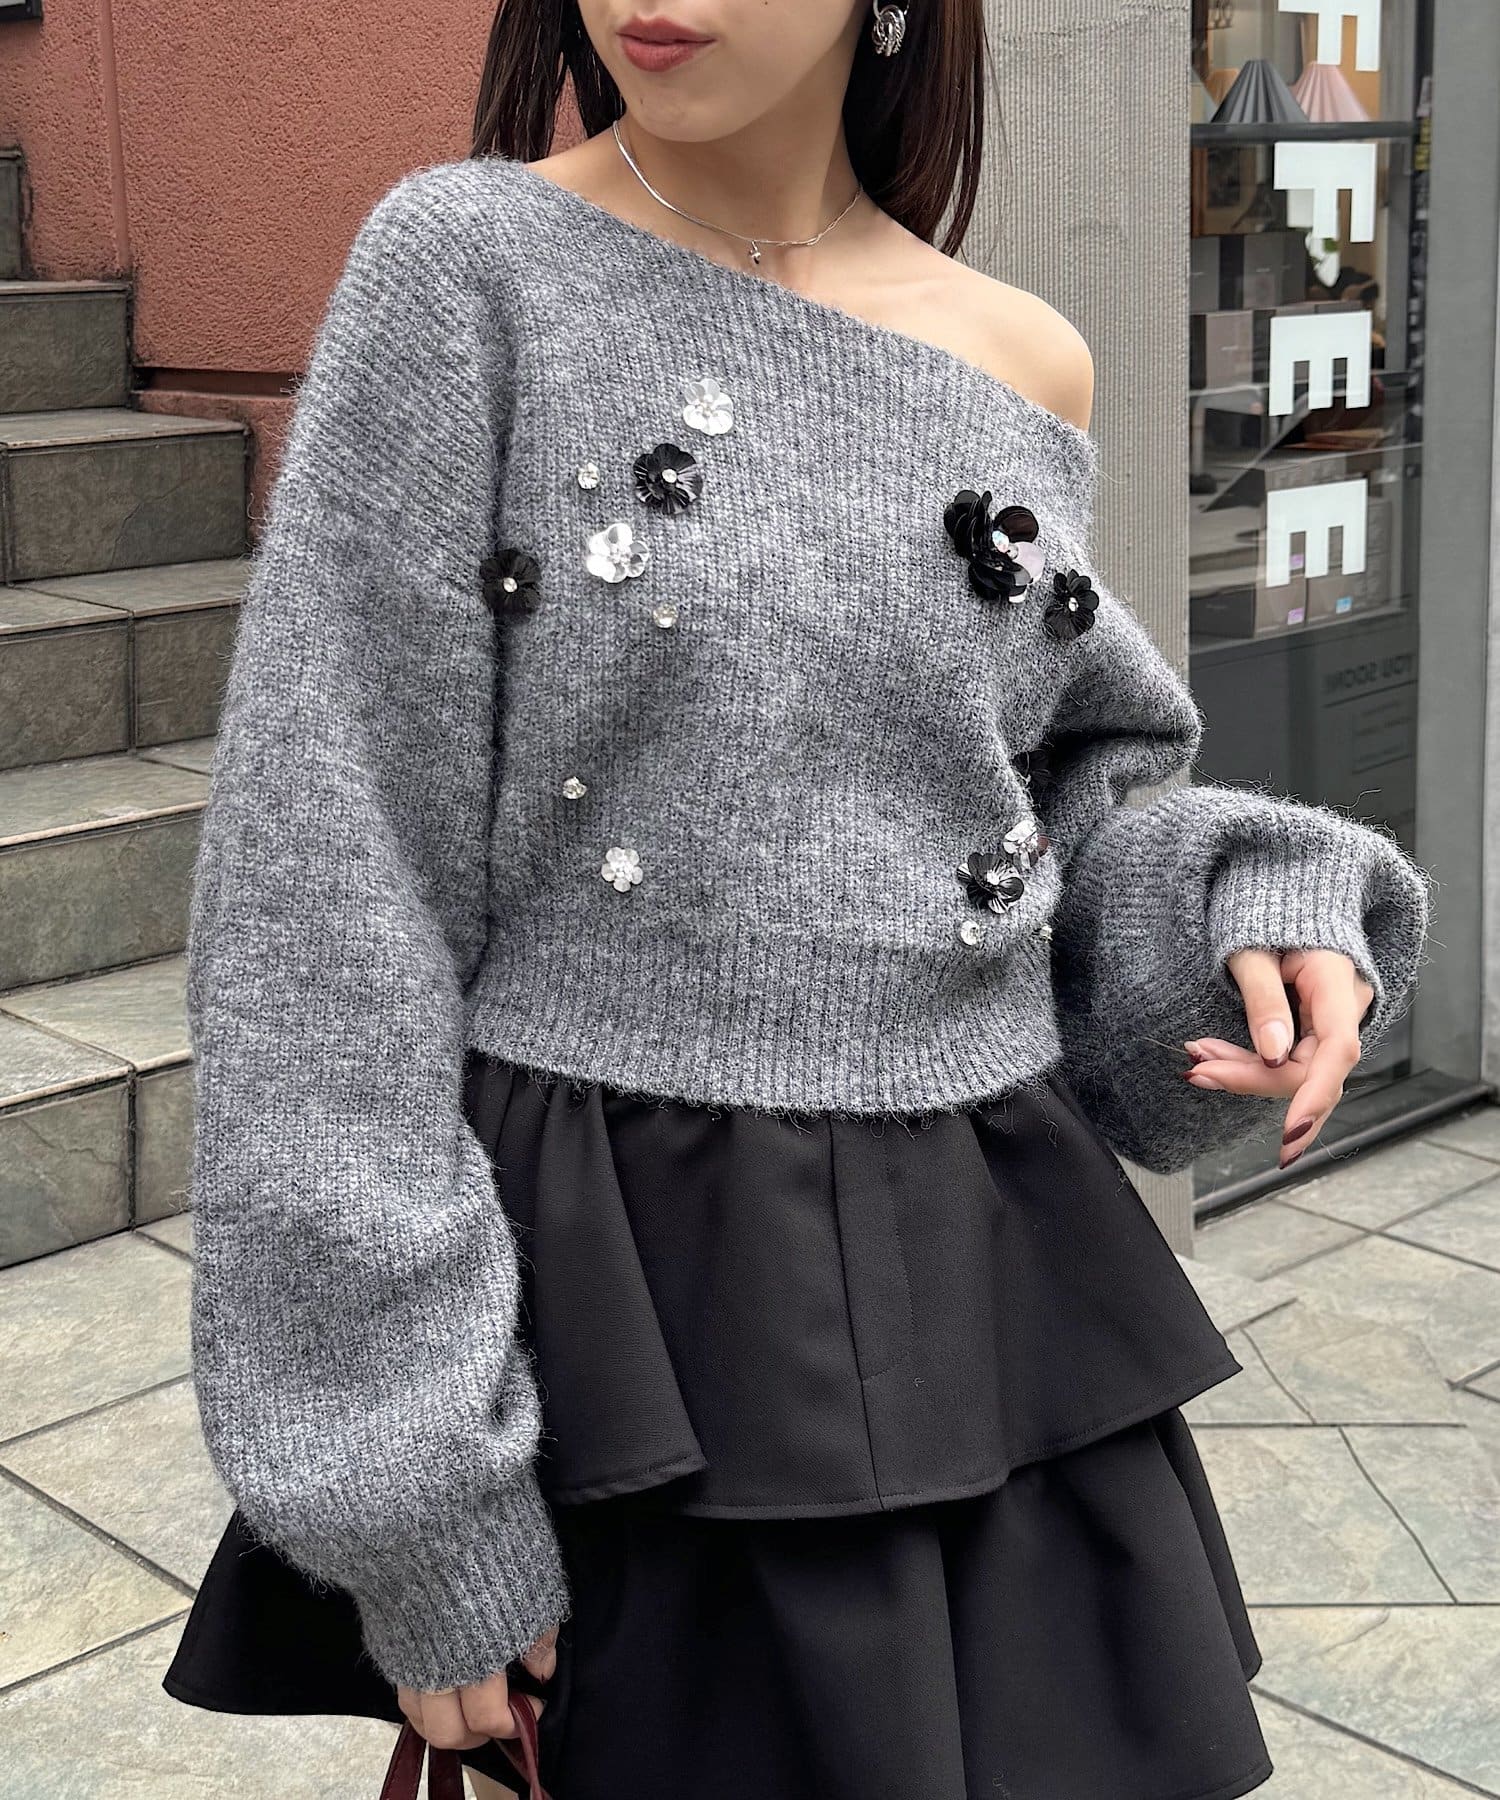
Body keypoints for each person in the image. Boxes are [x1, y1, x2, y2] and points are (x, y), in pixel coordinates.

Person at [160, 0, 1433, 1793]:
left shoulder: (1023, 358)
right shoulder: (472, 270)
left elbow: (1036, 815)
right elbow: (328, 884)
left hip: (981, 1288)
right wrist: (407, 1484)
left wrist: (1254, 897)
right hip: (630, 1301)